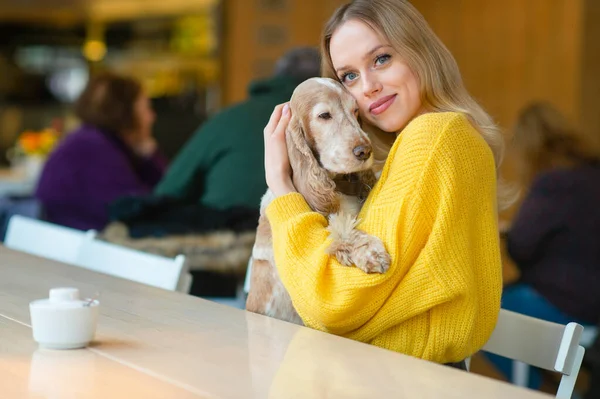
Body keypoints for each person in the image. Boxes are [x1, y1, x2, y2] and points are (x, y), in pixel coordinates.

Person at [262, 0, 512, 368]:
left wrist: (281, 187)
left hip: (396, 377)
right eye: (349, 76)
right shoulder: (440, 137)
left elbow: (331, 302)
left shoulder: (433, 137)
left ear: (420, 52)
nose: (369, 87)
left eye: (381, 59)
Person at [489, 102, 600, 387]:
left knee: (485, 314)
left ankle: (537, 393)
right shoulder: (592, 174)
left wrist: (509, 234)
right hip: (592, 302)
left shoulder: (552, 183)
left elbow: (522, 246)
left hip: (572, 305)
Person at [154, 47, 321, 210]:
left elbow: (167, 192)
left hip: (219, 228)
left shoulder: (227, 118)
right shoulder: (331, 126)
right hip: (297, 230)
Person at [35, 72, 166, 231]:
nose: (152, 117)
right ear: (125, 112)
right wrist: (151, 155)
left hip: (70, 241)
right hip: (72, 247)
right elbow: (141, 211)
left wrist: (148, 154)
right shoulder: (93, 147)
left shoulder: (94, 140)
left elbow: (157, 197)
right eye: (146, 109)